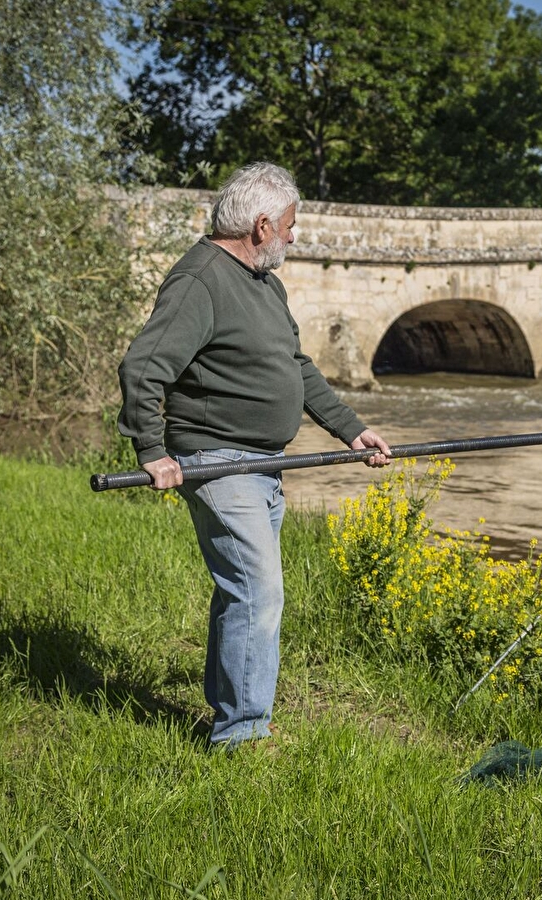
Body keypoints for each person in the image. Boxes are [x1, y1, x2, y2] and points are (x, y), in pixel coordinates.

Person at [116, 161, 391, 749]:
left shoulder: (265, 283)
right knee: (259, 592)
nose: (295, 235)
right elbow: (144, 366)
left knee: (240, 592)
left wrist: (351, 429)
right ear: (262, 225)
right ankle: (241, 735)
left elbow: (296, 365)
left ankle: (231, 714)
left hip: (265, 464)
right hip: (219, 461)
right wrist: (152, 449)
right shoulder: (200, 280)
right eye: (290, 224)